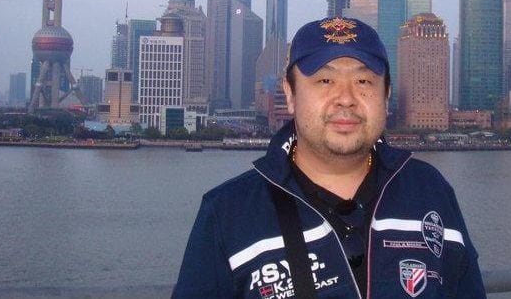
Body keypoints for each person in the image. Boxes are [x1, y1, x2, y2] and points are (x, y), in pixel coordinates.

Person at [173, 17, 485, 298]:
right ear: (291, 94)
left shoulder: (430, 191)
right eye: (325, 80)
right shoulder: (228, 213)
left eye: (363, 81)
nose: (346, 98)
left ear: (386, 95)